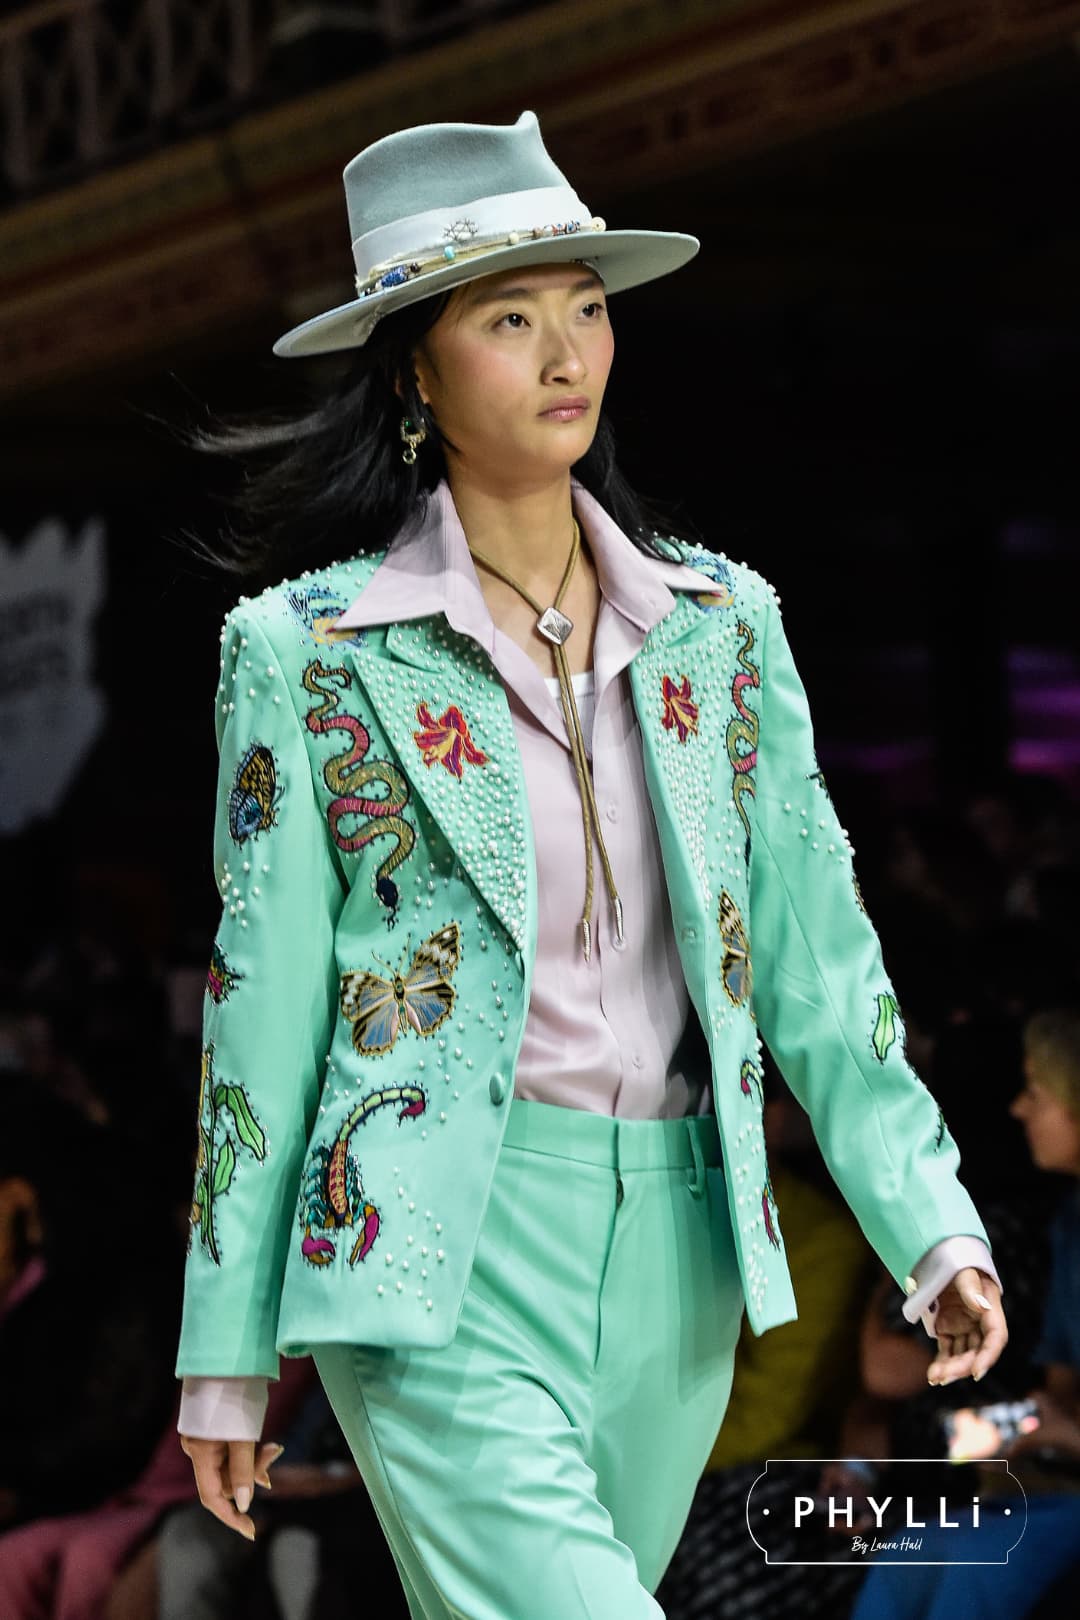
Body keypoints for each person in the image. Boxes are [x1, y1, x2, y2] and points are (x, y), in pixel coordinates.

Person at [174, 110, 1008, 1619]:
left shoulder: (719, 626)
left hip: (682, 1250)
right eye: (510, 318)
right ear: (414, 369)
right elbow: (262, 1012)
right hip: (433, 1247)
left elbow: (819, 956)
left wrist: (927, 1217)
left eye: (587, 308)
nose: (567, 353)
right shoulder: (304, 658)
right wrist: (226, 1351)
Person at [849, 1007, 1080, 1619]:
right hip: (1050, 1476)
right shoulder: (1069, 1225)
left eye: (1037, 1092)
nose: (1019, 1109)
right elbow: (1059, 1402)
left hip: (1056, 1482)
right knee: (904, 1553)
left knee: (975, 1572)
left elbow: (888, 1368)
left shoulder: (1012, 1231)